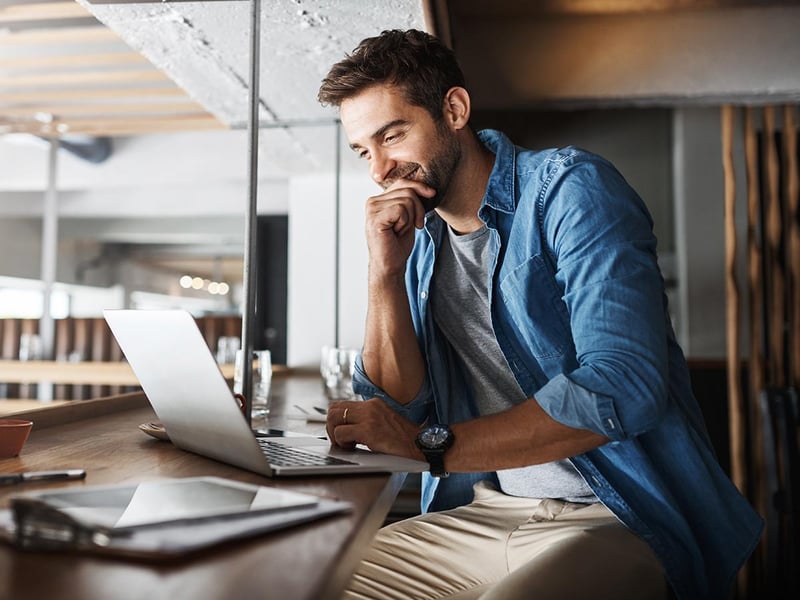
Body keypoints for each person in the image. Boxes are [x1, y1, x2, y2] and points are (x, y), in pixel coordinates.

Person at [317, 29, 763, 600]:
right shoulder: (419, 240)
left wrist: (433, 446)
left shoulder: (570, 189)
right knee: (313, 582)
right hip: (487, 510)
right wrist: (384, 273)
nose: (380, 169)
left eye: (393, 135)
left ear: (453, 110)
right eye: (364, 151)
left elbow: (625, 385)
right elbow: (396, 407)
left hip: (617, 515)